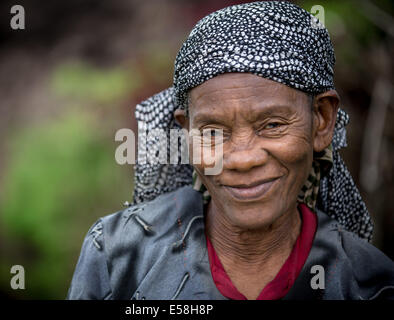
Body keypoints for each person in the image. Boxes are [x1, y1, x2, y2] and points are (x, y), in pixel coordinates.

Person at [67, 1, 394, 300]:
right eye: (212, 131)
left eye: (273, 125)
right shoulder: (117, 254)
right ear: (187, 132)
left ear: (321, 121)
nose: (242, 158)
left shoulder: (371, 284)